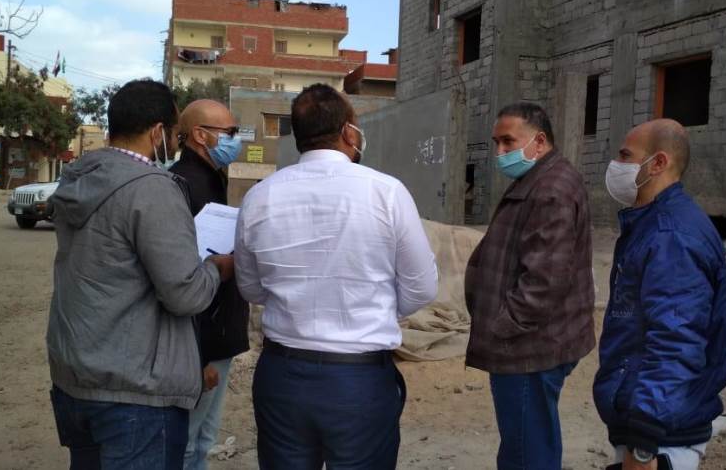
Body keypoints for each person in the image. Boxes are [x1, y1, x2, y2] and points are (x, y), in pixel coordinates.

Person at [234, 83, 439, 470]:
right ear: (348, 132)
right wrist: (371, 309)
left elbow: (251, 288)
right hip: (359, 380)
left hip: (283, 377)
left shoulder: (259, 197)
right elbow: (422, 287)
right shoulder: (386, 192)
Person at [46, 80, 234, 469]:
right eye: (174, 133)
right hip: (134, 393)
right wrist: (217, 269)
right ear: (158, 132)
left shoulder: (79, 176)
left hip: (75, 378)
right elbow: (185, 294)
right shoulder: (153, 188)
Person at [595, 119, 726, 470]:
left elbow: (676, 340)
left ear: (657, 163)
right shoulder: (649, 225)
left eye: (626, 155)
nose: (616, 165)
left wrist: (643, 439)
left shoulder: (671, 235)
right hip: (648, 421)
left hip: (661, 436)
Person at [464, 102, 595, 470]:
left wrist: (502, 327)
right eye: (497, 142)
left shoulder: (551, 189)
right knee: (528, 439)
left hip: (528, 348)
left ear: (539, 141)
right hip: (529, 343)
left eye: (508, 141)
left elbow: (543, 281)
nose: (500, 152)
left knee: (526, 450)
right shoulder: (538, 178)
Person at [170, 99, 250, 470]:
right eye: (230, 133)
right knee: (188, 440)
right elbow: (182, 275)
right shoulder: (185, 184)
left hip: (216, 331)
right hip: (202, 337)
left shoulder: (211, 177)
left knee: (204, 435)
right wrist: (198, 357)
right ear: (201, 135)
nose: (236, 140)